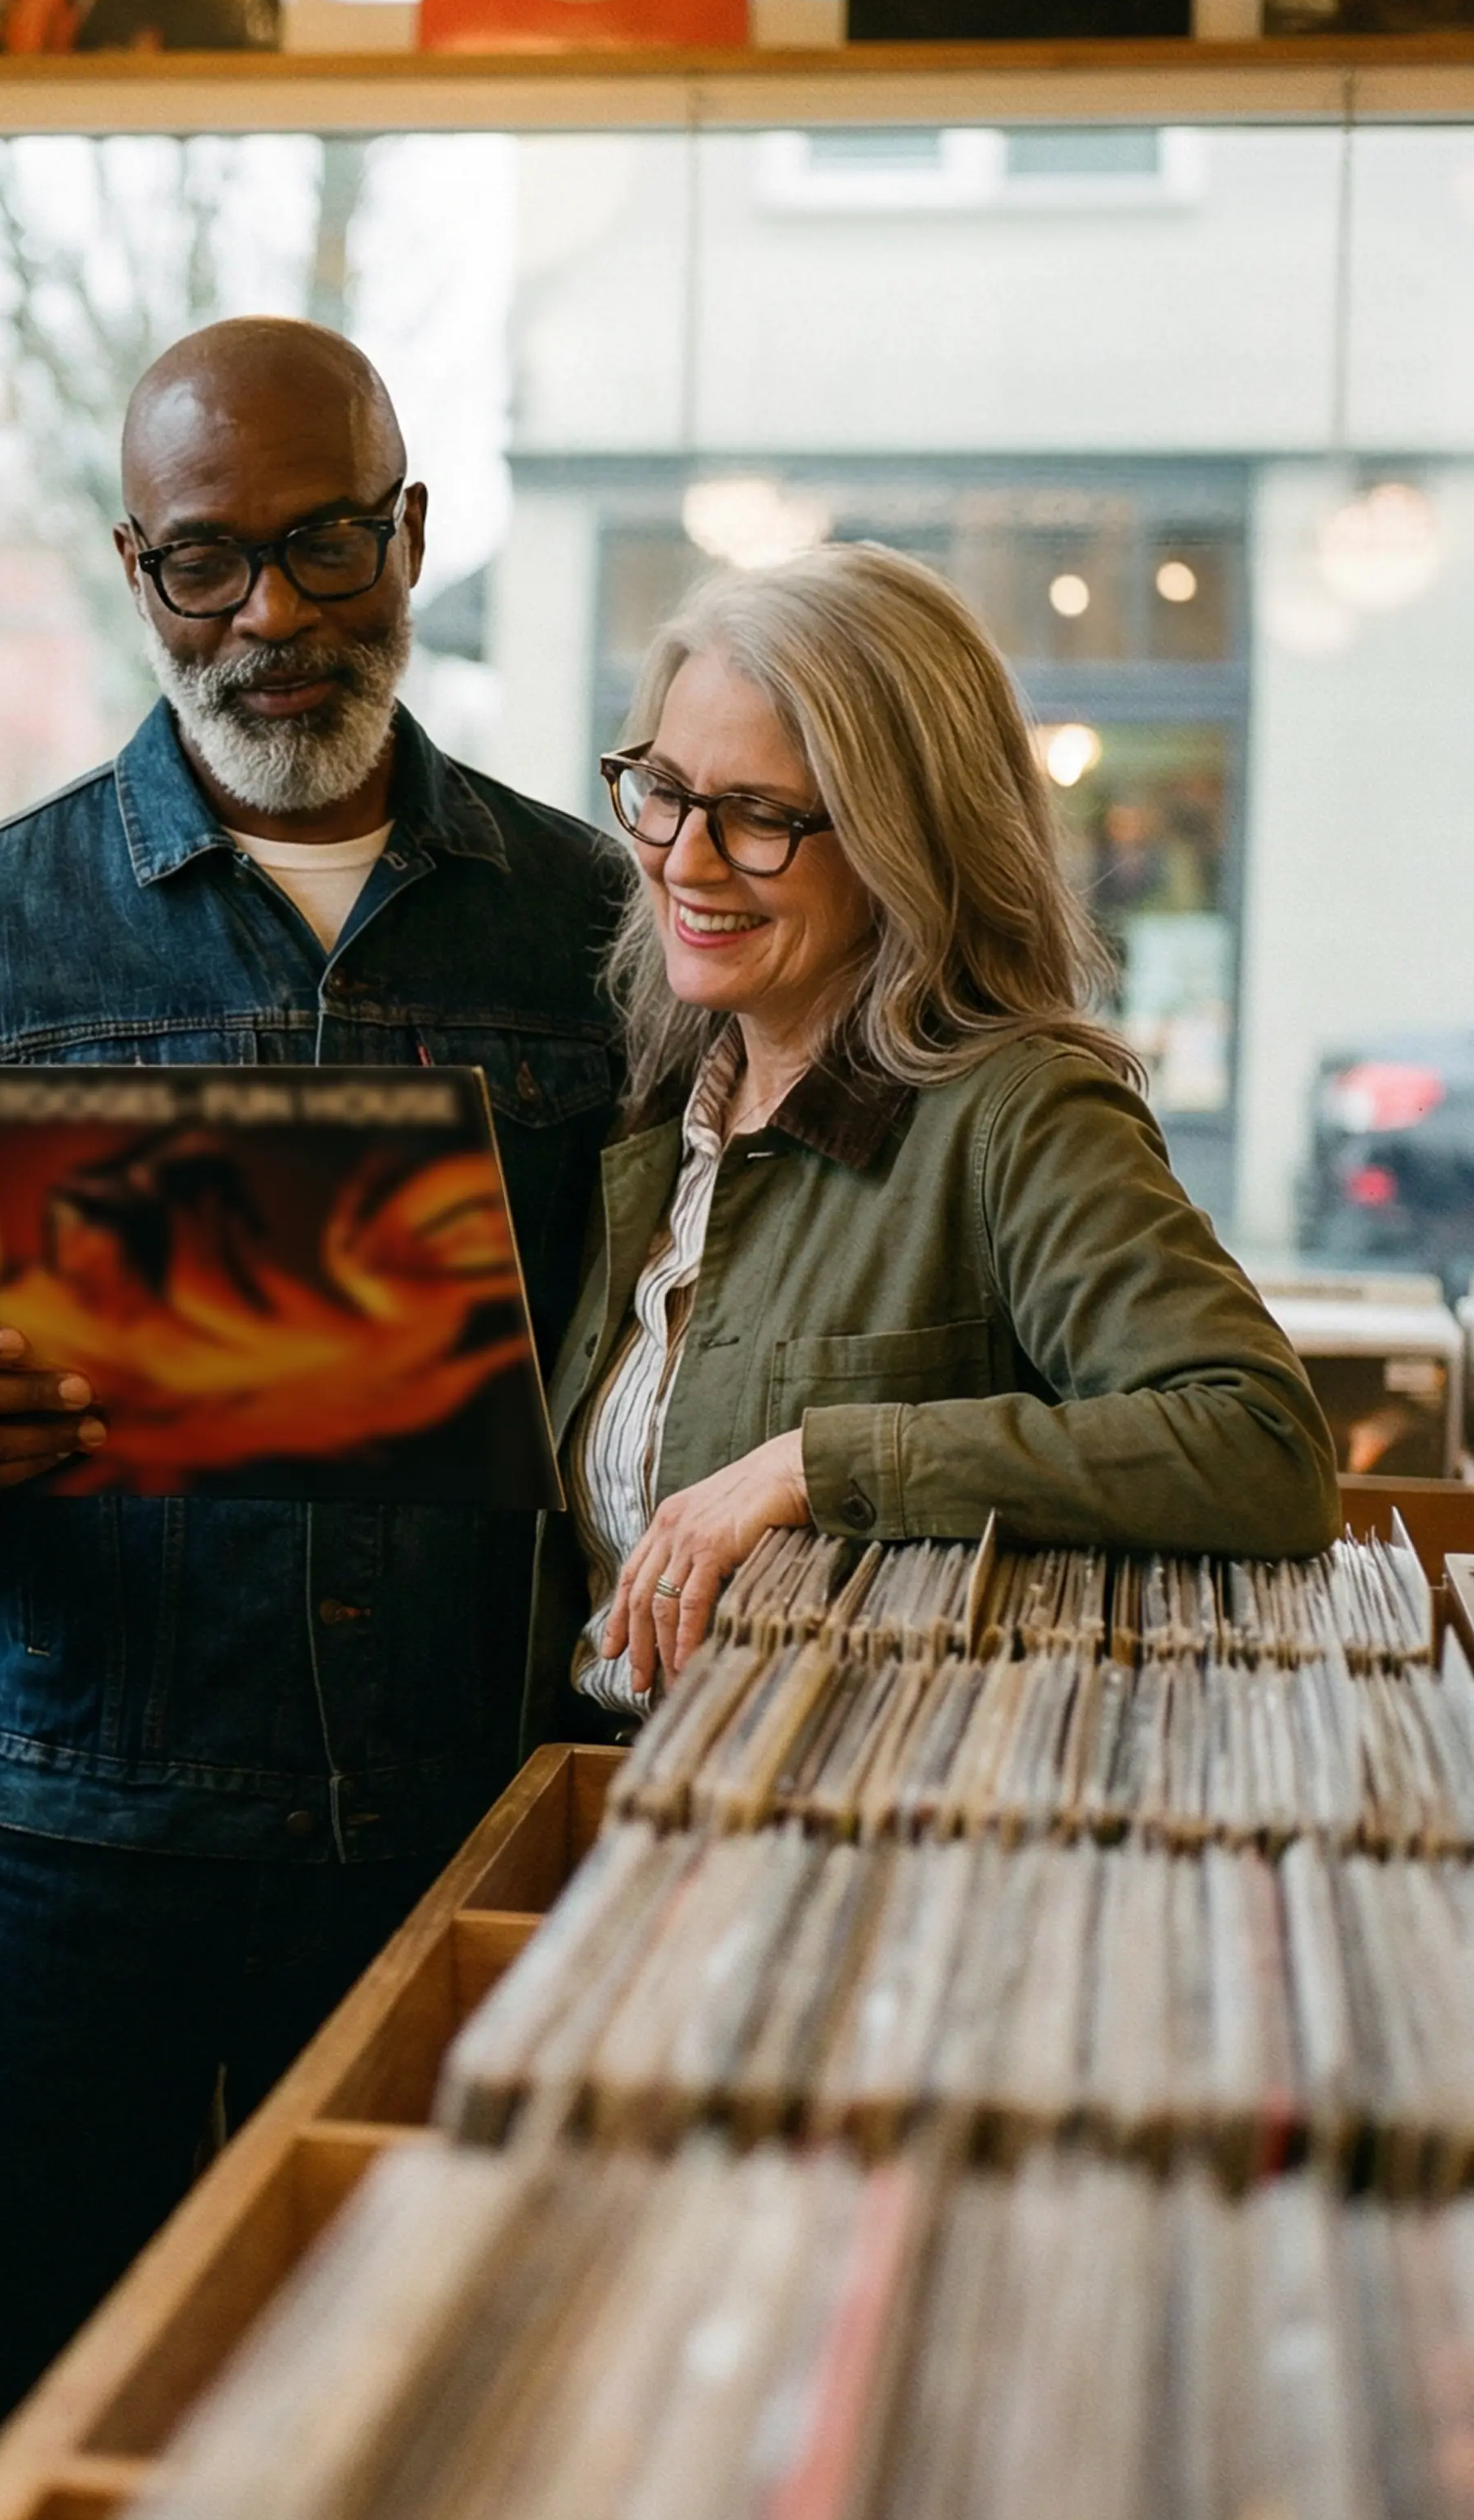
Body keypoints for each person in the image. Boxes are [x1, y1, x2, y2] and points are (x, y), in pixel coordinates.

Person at [0, 316, 629, 2520]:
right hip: (66, 1845)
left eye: (316, 548)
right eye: (201, 567)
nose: (266, 619)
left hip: (458, 1826)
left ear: (413, 537)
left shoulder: (594, 932)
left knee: (418, 2489)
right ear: (132, 573)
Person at [536, 541, 1335, 1727]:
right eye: (664, 791)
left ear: (905, 840)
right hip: (605, 1806)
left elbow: (1257, 1445)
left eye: (758, 816)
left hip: (844, 1831)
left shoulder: (1018, 1113)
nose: (682, 861)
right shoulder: (657, 1101)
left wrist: (814, 1466)